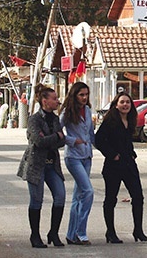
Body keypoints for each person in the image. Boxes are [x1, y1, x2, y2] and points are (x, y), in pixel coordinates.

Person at [95, 92, 147, 244]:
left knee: (138, 197)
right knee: (111, 199)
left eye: (127, 102)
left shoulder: (131, 120)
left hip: (129, 164)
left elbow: (127, 141)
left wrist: (132, 153)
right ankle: (110, 232)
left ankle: (138, 231)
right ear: (116, 105)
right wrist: (112, 154)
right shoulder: (110, 121)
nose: (125, 105)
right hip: (113, 165)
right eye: (122, 102)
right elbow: (98, 140)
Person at [17, 84, 66, 248]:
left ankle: (54, 233)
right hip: (36, 165)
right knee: (36, 200)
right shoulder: (34, 119)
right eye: (54, 99)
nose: (57, 101)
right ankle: (35, 235)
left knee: (60, 196)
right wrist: (55, 136)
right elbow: (38, 142)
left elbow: (62, 140)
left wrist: (53, 137)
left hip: (52, 164)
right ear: (45, 101)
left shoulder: (55, 118)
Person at [60, 82, 95, 246]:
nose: (84, 98)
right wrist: (73, 141)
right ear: (74, 95)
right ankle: (81, 232)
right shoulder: (67, 112)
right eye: (81, 95)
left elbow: (91, 133)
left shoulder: (87, 110)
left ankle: (71, 234)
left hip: (87, 156)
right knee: (88, 191)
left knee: (78, 196)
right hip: (73, 157)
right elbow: (57, 132)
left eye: (86, 94)